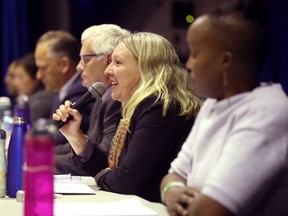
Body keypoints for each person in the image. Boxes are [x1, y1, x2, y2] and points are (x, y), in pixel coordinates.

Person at [160, 1, 288, 216]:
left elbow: (210, 211)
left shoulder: (267, 111)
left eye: (195, 53)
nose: (189, 64)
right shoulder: (212, 103)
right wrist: (173, 193)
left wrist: (181, 197)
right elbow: (173, 175)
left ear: (225, 61)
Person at [53, 32, 202, 202]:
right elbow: (113, 170)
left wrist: (104, 175)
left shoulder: (160, 108)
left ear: (146, 68)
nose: (108, 70)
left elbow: (126, 181)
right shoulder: (138, 106)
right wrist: (75, 136)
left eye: (118, 63)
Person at [55, 24, 131, 175]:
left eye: (85, 59)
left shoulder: (116, 100)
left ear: (108, 59)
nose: (78, 67)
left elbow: (103, 161)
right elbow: (84, 150)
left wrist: (39, 160)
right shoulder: (101, 97)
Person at [34, 30, 93, 145]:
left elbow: (60, 140)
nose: (38, 75)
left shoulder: (81, 91)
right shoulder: (62, 91)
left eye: (43, 68)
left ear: (64, 65)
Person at [13, 53, 55, 126]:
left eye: (20, 77)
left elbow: (27, 133)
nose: (15, 82)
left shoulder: (42, 101)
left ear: (35, 78)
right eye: (15, 77)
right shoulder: (29, 99)